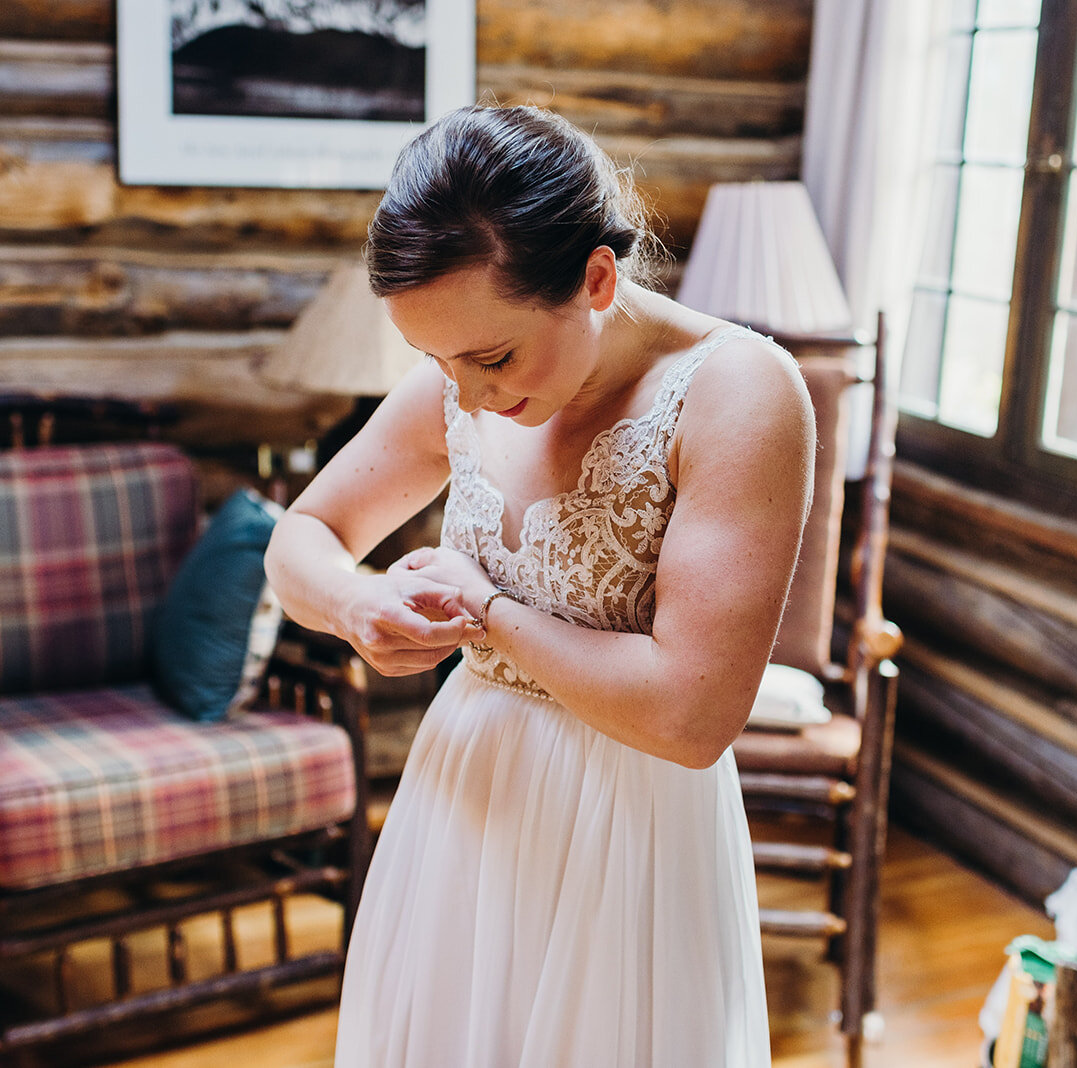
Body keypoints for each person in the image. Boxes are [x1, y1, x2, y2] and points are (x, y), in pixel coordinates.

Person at [264, 104, 815, 1068]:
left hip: (626, 824)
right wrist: (355, 606)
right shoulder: (461, 375)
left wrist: (486, 613)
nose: (466, 398)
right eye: (436, 363)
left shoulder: (737, 393)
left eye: (492, 358)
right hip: (461, 799)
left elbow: (693, 715)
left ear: (597, 278)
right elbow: (301, 537)